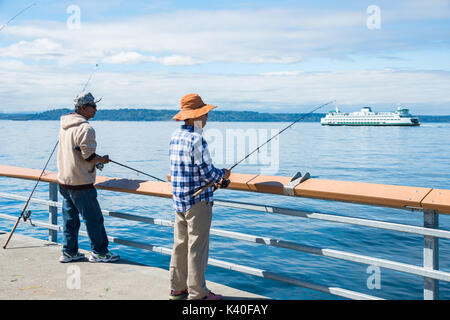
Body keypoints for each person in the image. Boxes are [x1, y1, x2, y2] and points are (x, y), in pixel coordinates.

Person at [168, 93, 230, 300]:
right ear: (195, 116)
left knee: (180, 245)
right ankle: (198, 293)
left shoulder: (175, 137)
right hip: (197, 202)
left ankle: (177, 288)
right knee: (197, 248)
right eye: (204, 114)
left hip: (179, 200)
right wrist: (223, 174)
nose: (207, 118)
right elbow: (208, 174)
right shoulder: (197, 140)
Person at [57, 92, 119, 263]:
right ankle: (99, 252)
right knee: (94, 219)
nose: (96, 109)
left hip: (64, 181)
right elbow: (88, 156)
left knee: (70, 219)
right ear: (83, 108)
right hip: (81, 183)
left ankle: (69, 252)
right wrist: (102, 160)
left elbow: (79, 152)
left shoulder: (65, 126)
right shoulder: (86, 128)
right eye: (93, 106)